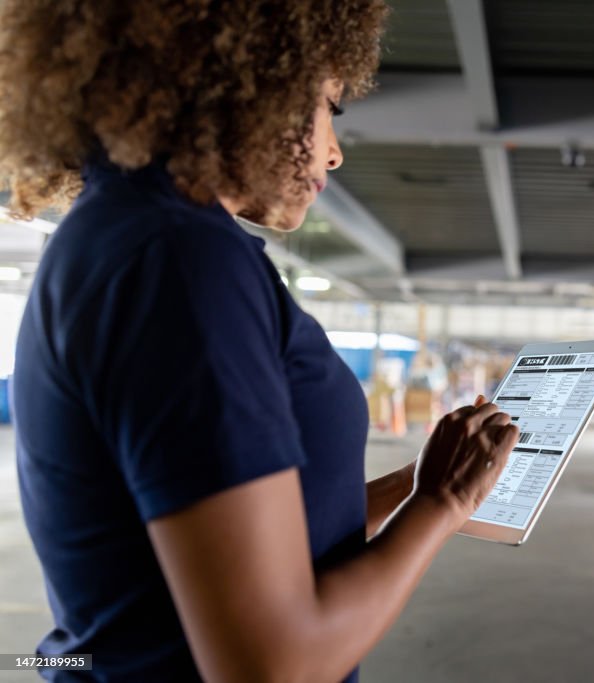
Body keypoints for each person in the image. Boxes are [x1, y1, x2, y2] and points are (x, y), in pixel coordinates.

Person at [0, 2, 518, 681]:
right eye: (328, 104)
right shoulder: (181, 262)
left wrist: (411, 486)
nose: (333, 148)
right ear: (245, 81)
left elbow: (248, 543)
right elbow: (272, 665)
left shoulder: (126, 234)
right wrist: (439, 506)